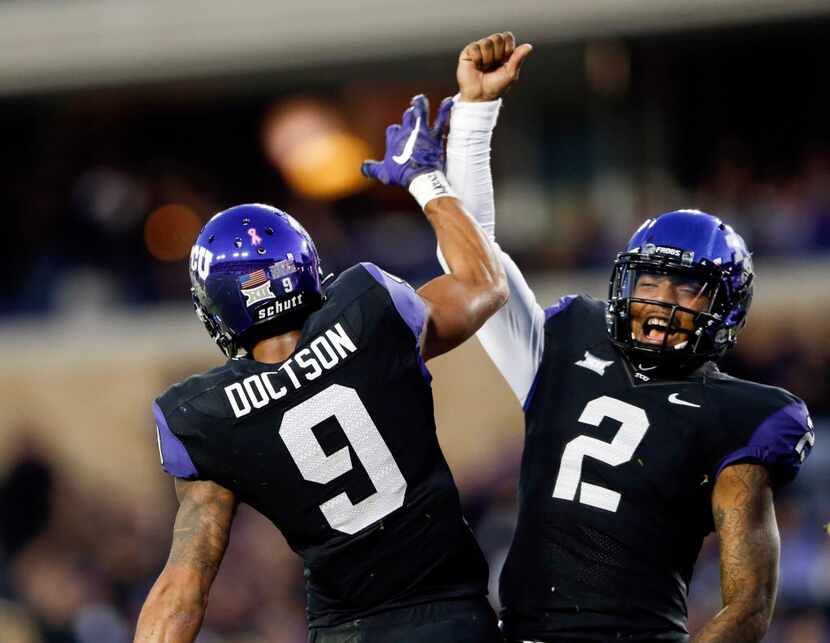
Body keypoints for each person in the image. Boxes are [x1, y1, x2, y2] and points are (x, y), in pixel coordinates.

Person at [442, 32, 816, 642]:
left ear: (726, 307)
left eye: (686, 289)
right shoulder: (562, 345)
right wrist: (476, 116)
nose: (662, 304)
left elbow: (747, 606)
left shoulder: (739, 413)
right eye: (650, 283)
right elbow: (475, 264)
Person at [134, 95, 508, 643]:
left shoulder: (204, 415)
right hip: (454, 618)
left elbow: (184, 584)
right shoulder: (368, 308)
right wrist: (426, 179)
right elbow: (484, 284)